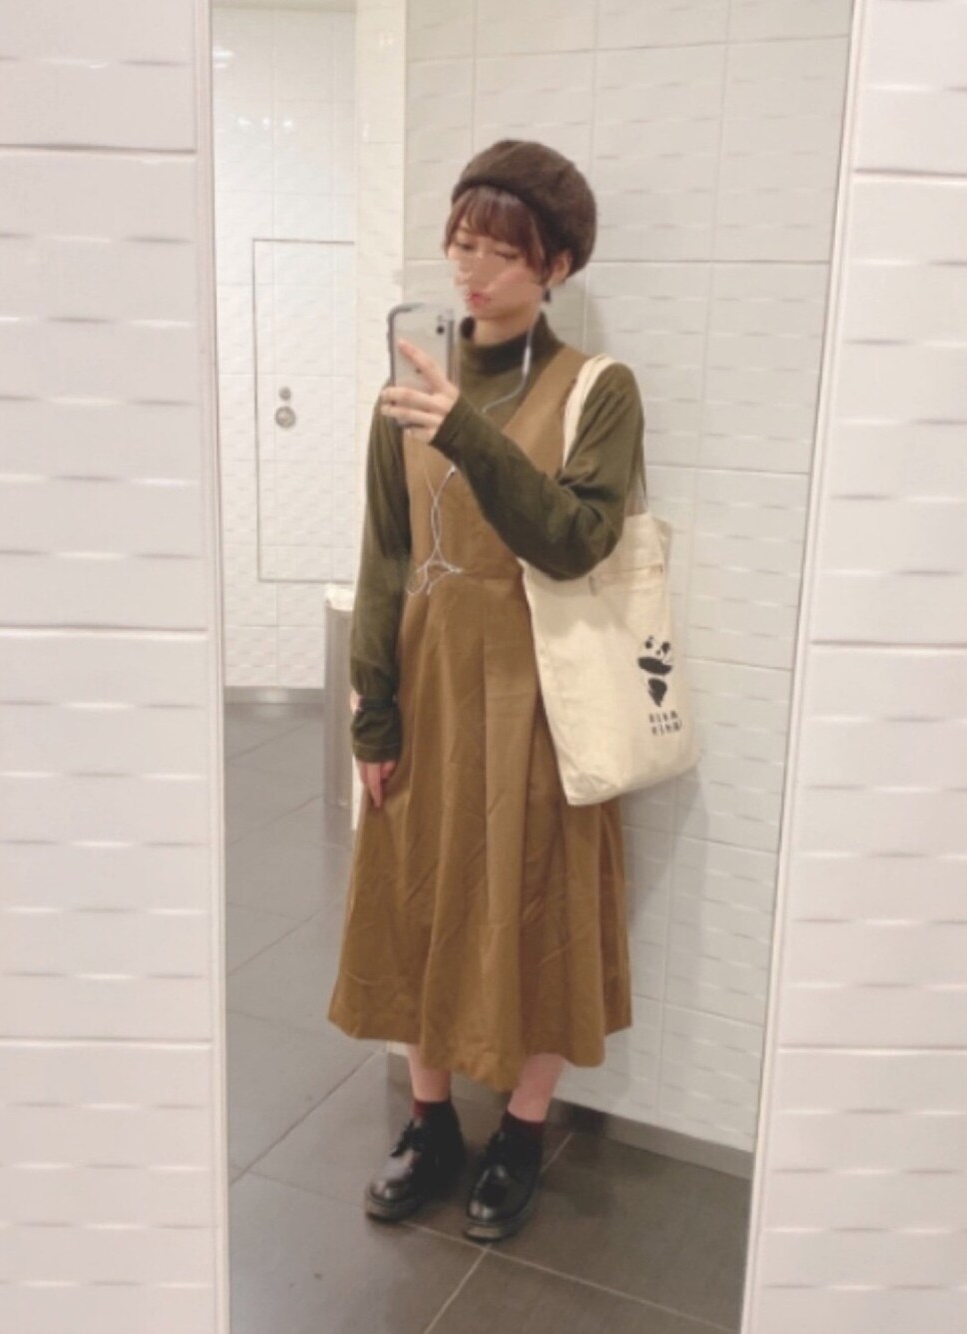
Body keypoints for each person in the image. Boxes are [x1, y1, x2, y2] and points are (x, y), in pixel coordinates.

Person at [327, 139, 645, 1242]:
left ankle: (519, 1130)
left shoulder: (599, 390)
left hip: (546, 689)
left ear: (556, 264)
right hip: (429, 673)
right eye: (460, 243)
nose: (470, 269)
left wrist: (462, 427)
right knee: (415, 893)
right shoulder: (406, 386)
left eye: (500, 252)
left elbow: (574, 539)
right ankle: (430, 1124)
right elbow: (383, 550)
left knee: (541, 900)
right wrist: (372, 705)